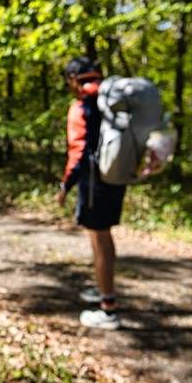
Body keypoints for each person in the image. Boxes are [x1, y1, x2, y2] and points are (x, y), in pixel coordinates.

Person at [55, 56, 128, 330]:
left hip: (94, 182)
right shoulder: (110, 99)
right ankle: (103, 290)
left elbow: (79, 152)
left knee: (99, 240)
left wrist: (65, 185)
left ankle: (108, 309)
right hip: (116, 176)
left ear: (73, 79)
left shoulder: (81, 106)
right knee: (105, 237)